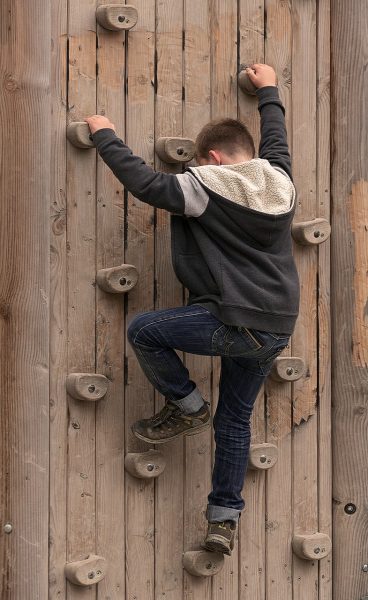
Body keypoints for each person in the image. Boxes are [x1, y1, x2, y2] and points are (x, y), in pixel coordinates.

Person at [85, 63, 300, 556]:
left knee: (145, 330)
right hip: (277, 327)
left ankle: (187, 407)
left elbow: (144, 182)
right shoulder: (281, 182)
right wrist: (268, 88)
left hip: (236, 320)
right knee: (236, 421)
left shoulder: (206, 186)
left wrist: (105, 135)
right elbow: (276, 140)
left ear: (214, 158)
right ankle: (223, 519)